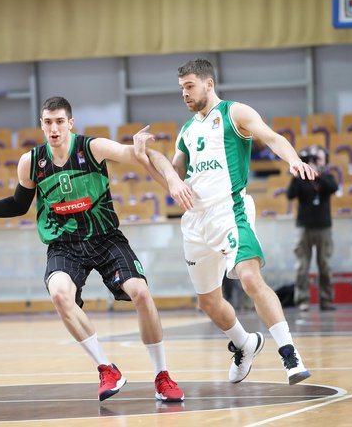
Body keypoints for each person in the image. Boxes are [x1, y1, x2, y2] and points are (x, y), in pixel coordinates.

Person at [0, 96, 185, 403]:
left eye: (59, 122)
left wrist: (137, 147)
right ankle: (106, 368)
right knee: (59, 295)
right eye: (48, 122)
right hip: (63, 244)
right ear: (41, 125)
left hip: (105, 237)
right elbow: (18, 204)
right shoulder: (31, 162)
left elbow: (131, 153)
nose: (54, 128)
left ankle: (162, 377)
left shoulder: (91, 148)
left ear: (70, 123)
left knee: (141, 293)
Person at [133, 58, 317, 386]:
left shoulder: (235, 113)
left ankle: (289, 353)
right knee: (208, 302)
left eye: (189, 86)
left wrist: (294, 160)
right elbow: (172, 181)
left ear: (208, 83)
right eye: (181, 89)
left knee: (249, 277)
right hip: (195, 222)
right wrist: (144, 157)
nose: (185, 94)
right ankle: (245, 343)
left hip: (230, 211)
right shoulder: (187, 131)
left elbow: (271, 137)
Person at [286, 145, 338, 312]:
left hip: (323, 227)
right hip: (304, 227)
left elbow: (333, 188)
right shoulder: (301, 178)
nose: (315, 162)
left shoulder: (327, 176)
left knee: (325, 264)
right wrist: (299, 173)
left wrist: (318, 173)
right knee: (302, 265)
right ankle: (302, 300)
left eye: (318, 159)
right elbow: (290, 194)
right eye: (313, 160)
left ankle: (326, 300)